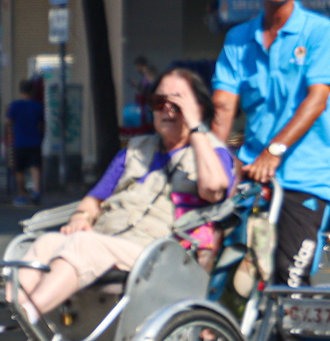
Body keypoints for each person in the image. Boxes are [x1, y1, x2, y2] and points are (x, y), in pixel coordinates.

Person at [14, 67, 232, 322]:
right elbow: (94, 199)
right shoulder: (135, 150)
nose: (167, 110)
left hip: (160, 254)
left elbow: (215, 190)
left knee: (83, 245)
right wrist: (80, 217)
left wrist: (196, 127)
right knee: (44, 244)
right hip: (106, 241)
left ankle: (26, 316)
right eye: (159, 102)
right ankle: (4, 321)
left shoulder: (212, 153)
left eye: (177, 103)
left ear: (198, 108)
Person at [210, 0, 330, 285]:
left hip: (304, 178)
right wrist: (216, 158)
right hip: (252, 174)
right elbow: (223, 106)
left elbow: (317, 100)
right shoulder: (238, 38)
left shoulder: (321, 33)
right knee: (230, 272)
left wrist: (274, 151)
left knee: (289, 277)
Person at [6, 78, 46, 204]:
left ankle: (21, 195)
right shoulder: (37, 106)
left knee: (19, 169)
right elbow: (41, 124)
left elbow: (8, 122)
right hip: (34, 141)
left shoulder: (14, 106)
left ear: (20, 91)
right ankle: (36, 191)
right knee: (35, 167)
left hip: (19, 142)